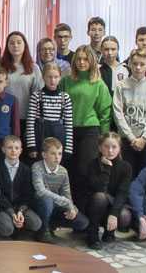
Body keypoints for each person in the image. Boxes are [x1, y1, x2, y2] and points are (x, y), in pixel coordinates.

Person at [59, 45, 112, 200]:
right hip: (68, 130)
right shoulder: (66, 81)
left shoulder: (98, 83)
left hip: (90, 130)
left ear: (92, 61)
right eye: (79, 59)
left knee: (85, 170)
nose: (82, 62)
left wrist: (104, 139)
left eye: (85, 59)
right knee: (68, 169)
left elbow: (105, 112)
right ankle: (69, 205)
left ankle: (83, 207)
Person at [31, 137, 89, 243]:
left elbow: (67, 194)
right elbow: (41, 191)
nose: (57, 157)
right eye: (53, 153)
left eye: (59, 153)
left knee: (82, 222)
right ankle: (43, 231)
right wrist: (65, 201)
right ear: (44, 155)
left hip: (56, 205)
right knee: (47, 200)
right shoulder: (37, 167)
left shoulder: (63, 171)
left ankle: (50, 225)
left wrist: (71, 208)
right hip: (40, 205)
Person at [113, 50, 146, 176]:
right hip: (126, 138)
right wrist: (131, 138)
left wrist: (144, 138)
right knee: (127, 175)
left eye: (142, 64)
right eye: (135, 64)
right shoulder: (121, 86)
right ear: (129, 64)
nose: (138, 67)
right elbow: (118, 114)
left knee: (145, 175)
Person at [82, 132, 132, 249]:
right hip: (93, 206)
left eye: (114, 147)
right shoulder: (92, 165)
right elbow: (99, 188)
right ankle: (92, 234)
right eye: (106, 146)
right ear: (100, 147)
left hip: (112, 204)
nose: (110, 151)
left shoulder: (126, 167)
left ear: (119, 148)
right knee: (100, 197)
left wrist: (114, 214)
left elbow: (122, 193)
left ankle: (109, 232)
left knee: (125, 216)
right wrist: (107, 168)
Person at [0, 135, 42, 239]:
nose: (13, 151)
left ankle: (19, 227)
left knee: (36, 224)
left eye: (16, 148)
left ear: (21, 151)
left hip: (21, 207)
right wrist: (11, 212)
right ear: (3, 149)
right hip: (4, 208)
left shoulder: (26, 170)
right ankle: (2, 226)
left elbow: (28, 194)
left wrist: (20, 211)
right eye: (10, 147)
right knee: (7, 229)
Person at [25, 63, 74, 163]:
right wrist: (32, 146)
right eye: (49, 77)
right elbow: (30, 123)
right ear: (43, 77)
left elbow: (69, 125)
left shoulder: (65, 98)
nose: (52, 80)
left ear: (60, 77)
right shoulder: (36, 96)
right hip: (40, 138)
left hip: (59, 140)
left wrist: (68, 148)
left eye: (56, 77)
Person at [0, 32, 44, 132]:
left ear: (25, 45)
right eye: (12, 43)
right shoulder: (0, 66)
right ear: (7, 46)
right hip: (4, 115)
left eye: (19, 42)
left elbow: (39, 93)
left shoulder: (34, 68)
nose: (15, 45)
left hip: (27, 117)